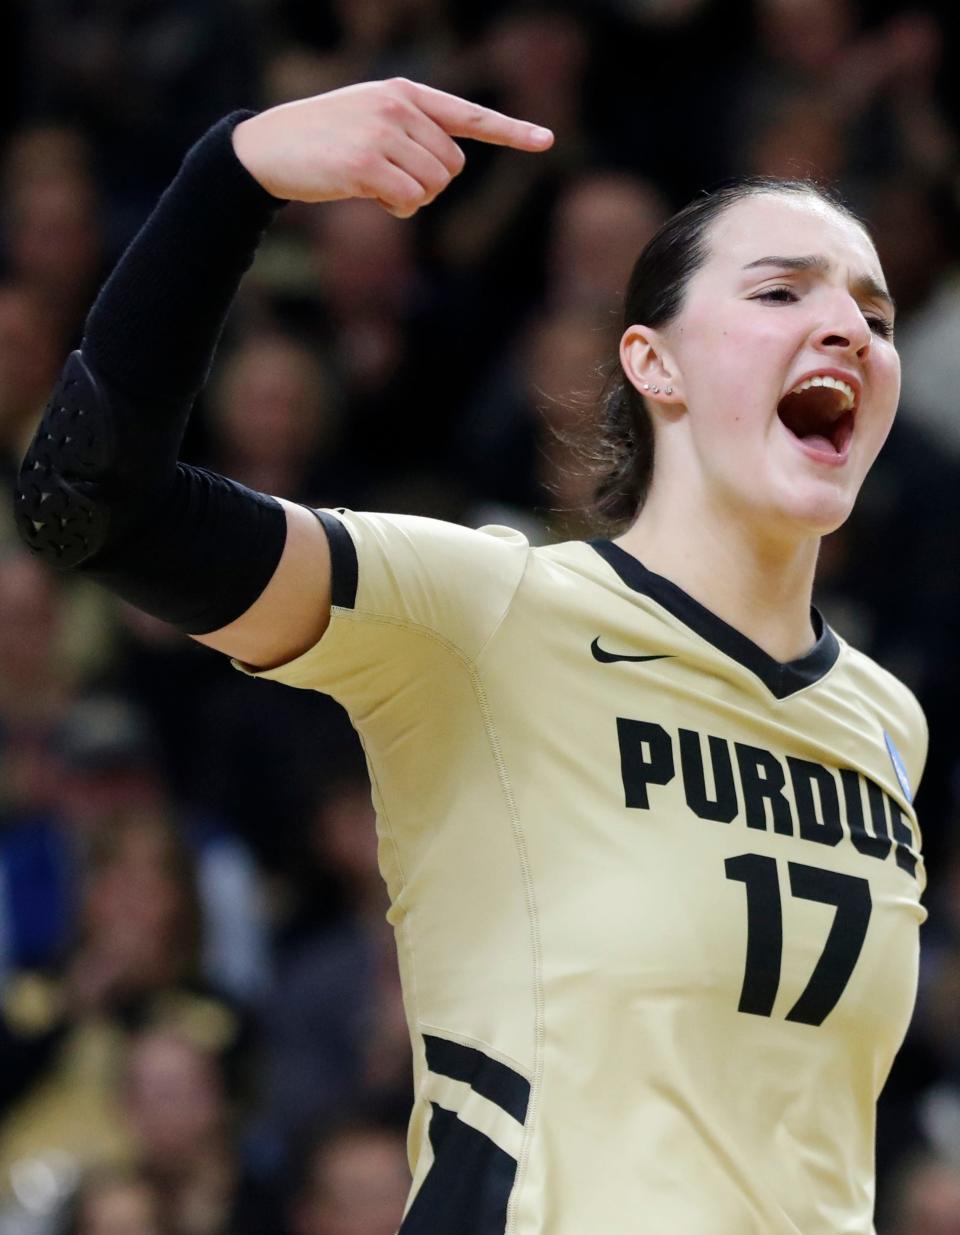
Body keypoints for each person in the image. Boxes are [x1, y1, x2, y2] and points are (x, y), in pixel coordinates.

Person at [13, 79, 926, 1234]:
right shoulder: (491, 609)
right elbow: (89, 502)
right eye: (782, 290)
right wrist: (231, 174)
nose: (846, 326)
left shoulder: (887, 718)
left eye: (878, 314)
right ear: (655, 365)